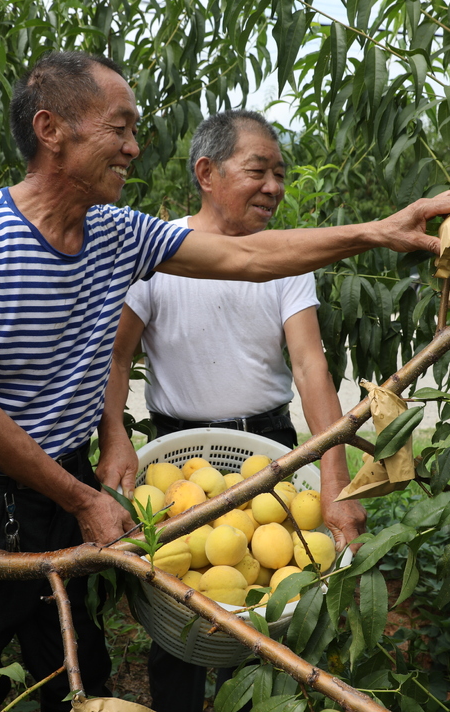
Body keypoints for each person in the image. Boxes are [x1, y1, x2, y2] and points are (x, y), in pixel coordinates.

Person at [0, 50, 450, 712]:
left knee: (75, 669)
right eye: (119, 128)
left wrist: (380, 231)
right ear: (52, 129)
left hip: (58, 491)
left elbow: (243, 255)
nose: (134, 147)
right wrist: (85, 498)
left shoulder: (117, 235)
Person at [96, 110, 368, 712]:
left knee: (263, 609)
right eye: (259, 171)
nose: (275, 187)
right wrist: (113, 433)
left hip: (266, 450)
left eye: (281, 173)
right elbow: (116, 358)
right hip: (181, 457)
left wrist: (335, 476)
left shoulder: (284, 260)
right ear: (207, 173)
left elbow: (309, 367)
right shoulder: (156, 249)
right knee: (179, 613)